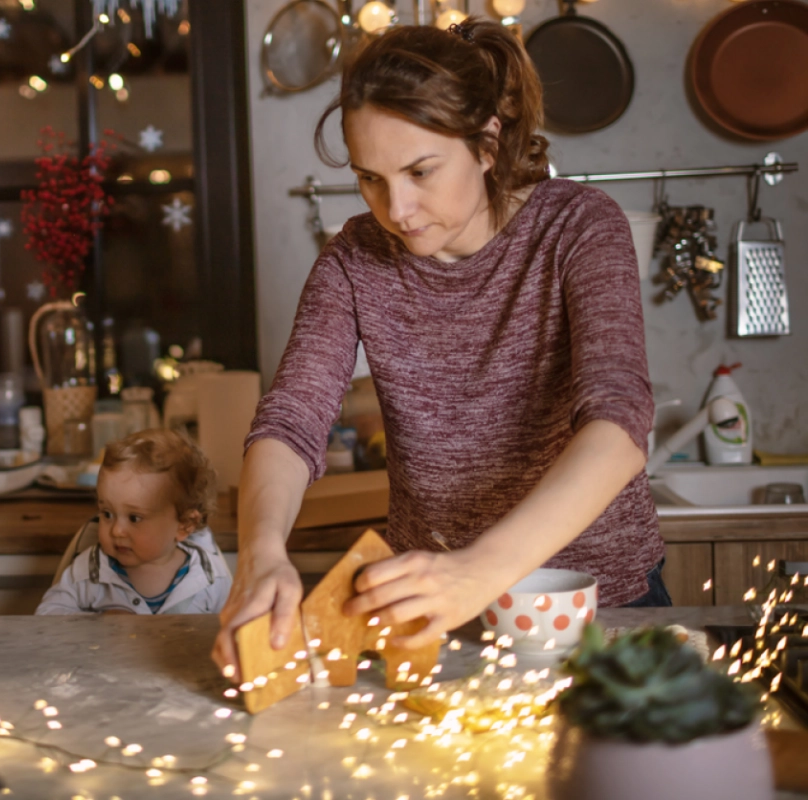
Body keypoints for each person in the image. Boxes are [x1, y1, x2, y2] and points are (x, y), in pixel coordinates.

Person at [212, 18, 668, 674]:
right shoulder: (354, 259)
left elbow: (620, 422)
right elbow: (291, 422)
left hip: (597, 605)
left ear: (487, 142)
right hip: (430, 610)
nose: (396, 208)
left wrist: (479, 569)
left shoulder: (578, 227)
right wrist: (259, 559)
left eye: (421, 171)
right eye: (370, 178)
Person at [37, 428, 232, 615]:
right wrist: (97, 625)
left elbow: (238, 632)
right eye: (107, 514)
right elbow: (46, 617)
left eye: (134, 518)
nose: (117, 531)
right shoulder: (89, 570)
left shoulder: (211, 579)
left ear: (184, 524)